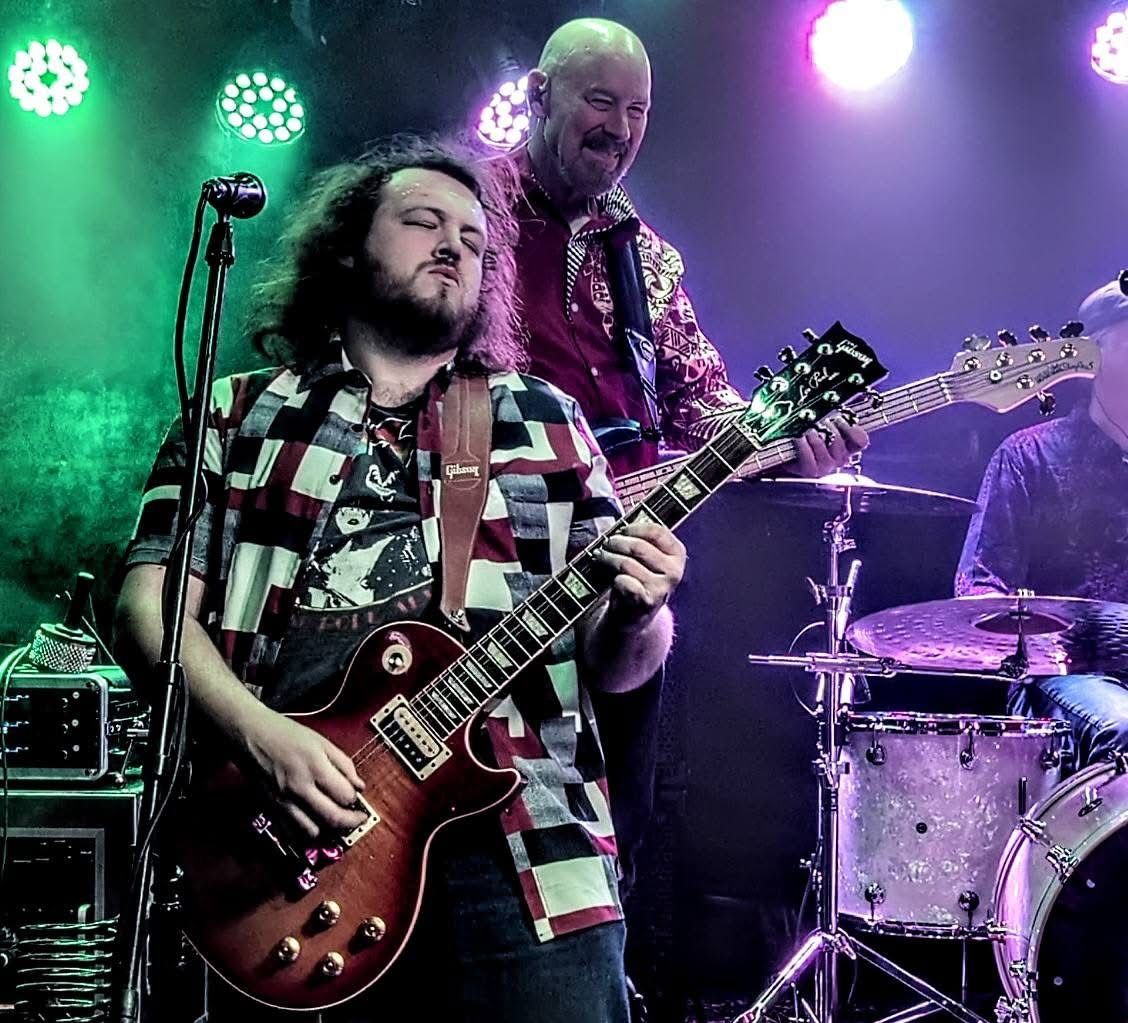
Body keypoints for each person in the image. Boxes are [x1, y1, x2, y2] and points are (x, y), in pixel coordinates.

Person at [114, 135, 689, 1022]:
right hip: (292, 840)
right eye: (424, 222)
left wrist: (642, 614)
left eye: (474, 238)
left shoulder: (547, 420)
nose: (454, 244)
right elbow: (145, 609)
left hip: (530, 846)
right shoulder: (237, 414)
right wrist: (260, 738)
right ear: (347, 247)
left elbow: (617, 666)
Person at [511, 15, 868, 892]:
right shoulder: (470, 213)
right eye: (601, 101)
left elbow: (704, 407)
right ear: (539, 94)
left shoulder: (647, 257)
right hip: (485, 556)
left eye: (638, 110)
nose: (620, 128)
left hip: (617, 575)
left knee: (611, 831)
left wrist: (791, 446)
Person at [956, 276, 1128, 770]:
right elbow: (980, 591)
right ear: (1091, 355)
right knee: (1124, 726)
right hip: (1065, 676)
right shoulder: (1028, 456)